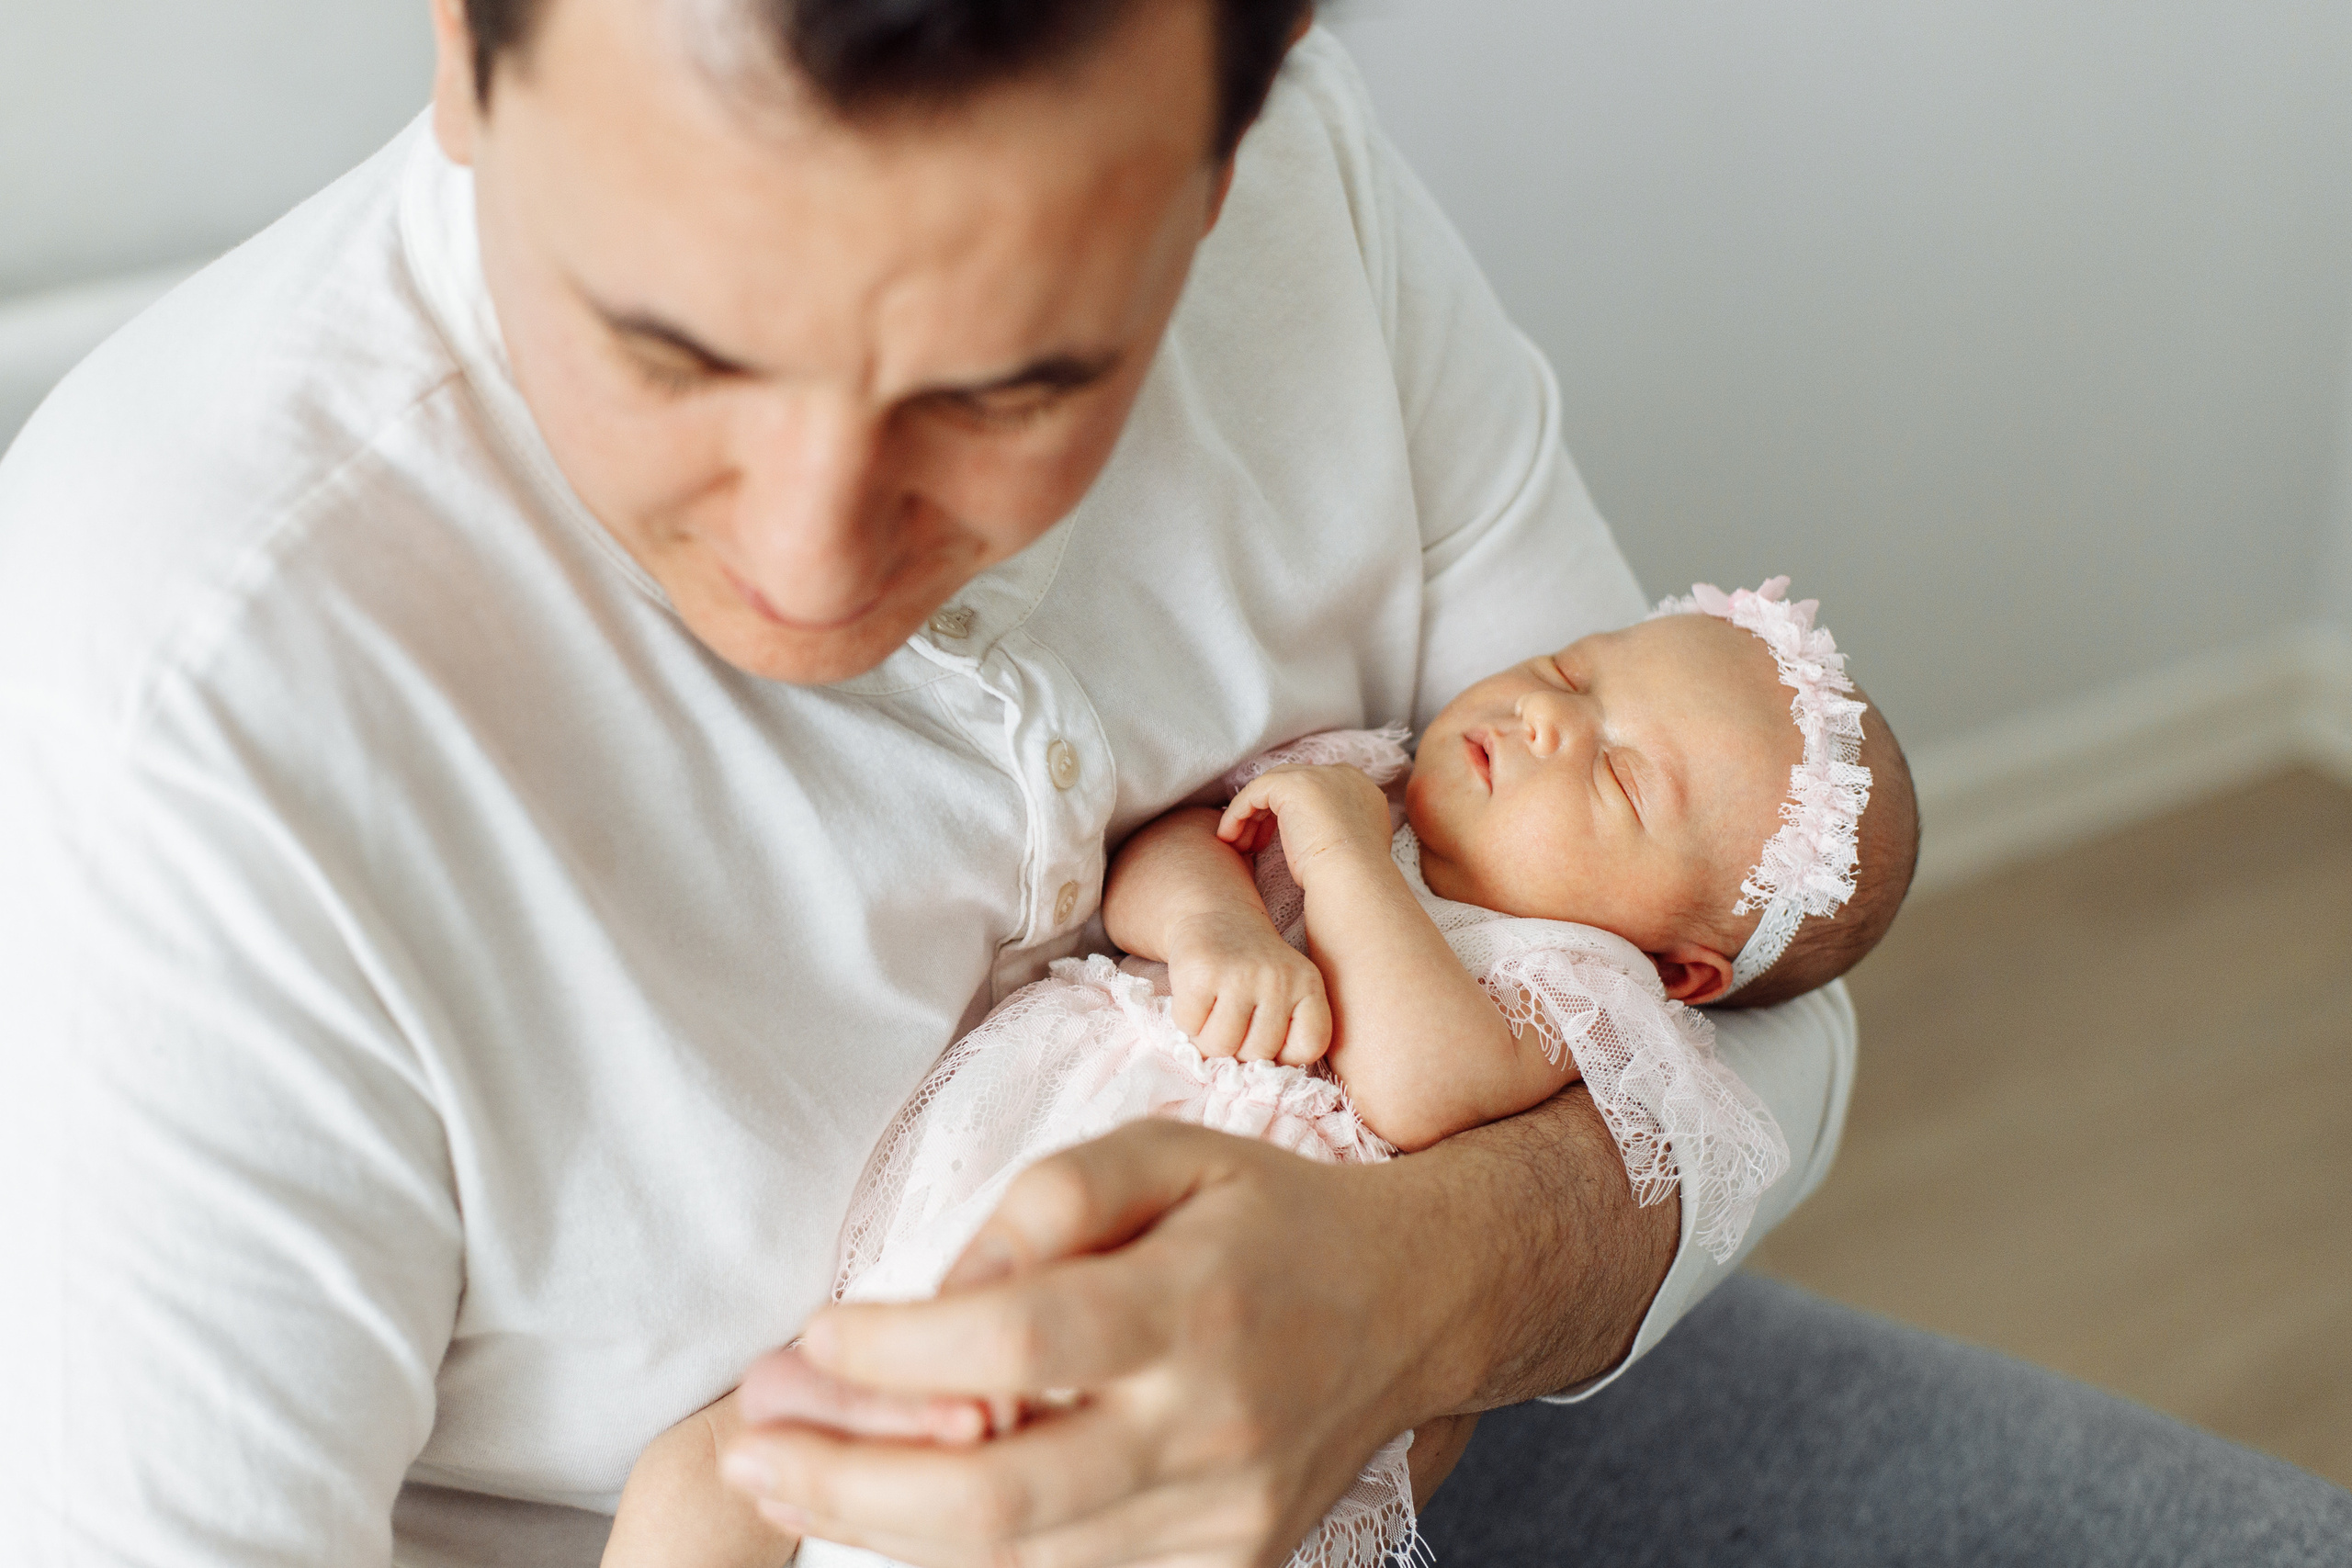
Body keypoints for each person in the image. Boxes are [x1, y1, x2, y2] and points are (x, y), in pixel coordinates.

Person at [2, 2, 2344, 1565]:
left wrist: (1406, 1289)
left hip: (1451, 1423)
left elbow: (1748, 1014)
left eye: (1019, 378)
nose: (813, 557)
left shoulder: (1309, 205)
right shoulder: (180, 677)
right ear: (464, 50)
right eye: (668, 344)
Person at [597, 581, 1918, 1568]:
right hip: (989, 1214)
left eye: (1622, 775)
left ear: (1685, 969)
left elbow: (1418, 1084)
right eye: (1574, 672)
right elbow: (1172, 858)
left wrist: (1342, 867)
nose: (1550, 723)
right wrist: (1217, 926)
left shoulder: (1574, 984)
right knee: (724, 1459)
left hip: (1193, 1344)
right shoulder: (1363, 778)